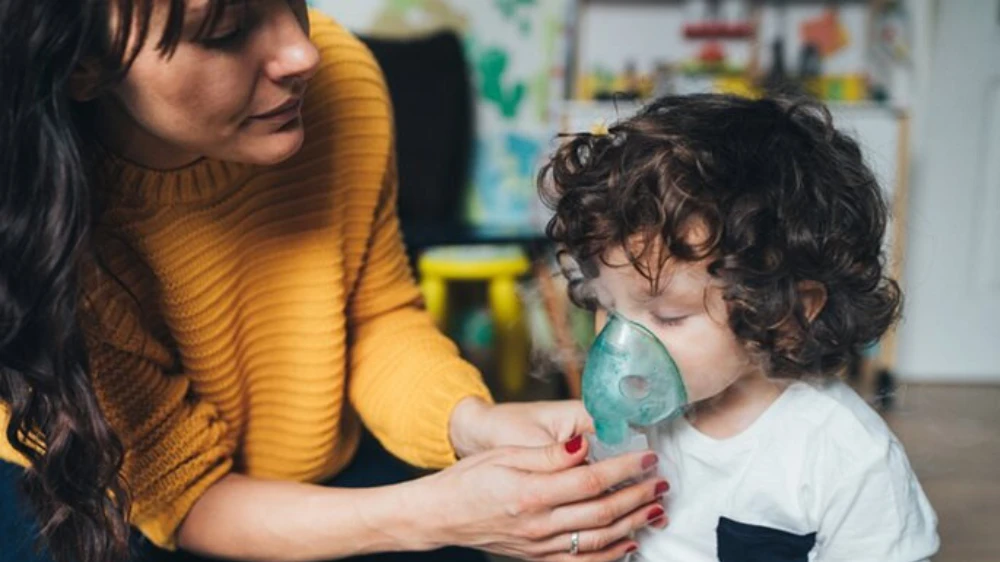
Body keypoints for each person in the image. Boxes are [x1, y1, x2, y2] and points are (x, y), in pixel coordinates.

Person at [0, 2, 670, 561]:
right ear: (84, 65)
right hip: (92, 498)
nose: (303, 53)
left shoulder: (340, 81)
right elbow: (189, 497)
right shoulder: (37, 219)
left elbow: (374, 318)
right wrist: (432, 513)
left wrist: (473, 424)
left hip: (317, 463)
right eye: (224, 32)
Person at [541, 94, 940, 561]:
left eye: (668, 316)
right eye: (608, 308)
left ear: (785, 312)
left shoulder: (845, 456)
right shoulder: (640, 424)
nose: (620, 347)